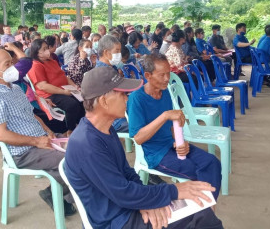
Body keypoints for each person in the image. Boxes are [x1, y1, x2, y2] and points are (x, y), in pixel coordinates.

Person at [65, 66, 223, 229]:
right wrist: (174, 191)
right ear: (104, 101)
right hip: (116, 221)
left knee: (202, 211)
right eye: (122, 94)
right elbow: (123, 193)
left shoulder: (106, 129)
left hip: (127, 207)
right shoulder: (85, 143)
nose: (127, 99)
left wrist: (147, 204)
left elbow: (127, 172)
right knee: (201, 216)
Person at [0, 48, 76, 216]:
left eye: (12, 62)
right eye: (7, 64)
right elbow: (1, 135)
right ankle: (60, 195)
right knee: (73, 161)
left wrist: (48, 131)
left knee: (84, 148)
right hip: (23, 152)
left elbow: (31, 115)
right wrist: (36, 141)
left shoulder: (15, 89)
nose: (13, 67)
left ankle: (56, 193)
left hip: (41, 141)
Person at [127, 54, 222, 201]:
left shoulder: (164, 93)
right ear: (148, 75)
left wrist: (180, 142)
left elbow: (172, 127)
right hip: (155, 154)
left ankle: (207, 209)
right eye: (162, 75)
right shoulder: (136, 99)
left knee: (212, 162)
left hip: (171, 146)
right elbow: (138, 138)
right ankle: (206, 210)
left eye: (168, 73)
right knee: (197, 171)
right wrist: (164, 115)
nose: (167, 78)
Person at [28, 39, 85, 135]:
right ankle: (70, 130)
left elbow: (64, 77)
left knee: (82, 100)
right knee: (71, 105)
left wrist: (74, 86)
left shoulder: (51, 61)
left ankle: (81, 125)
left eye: (47, 48)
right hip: (50, 94)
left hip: (64, 89)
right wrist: (63, 92)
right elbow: (43, 86)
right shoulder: (35, 65)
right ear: (36, 52)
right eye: (44, 49)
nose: (47, 50)